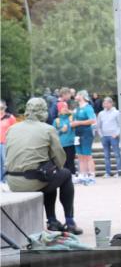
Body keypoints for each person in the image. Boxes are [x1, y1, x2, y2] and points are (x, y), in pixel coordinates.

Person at [4, 98, 82, 234]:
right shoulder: (48, 129)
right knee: (64, 174)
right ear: (43, 111)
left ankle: (52, 221)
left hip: (13, 181)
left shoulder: (12, 128)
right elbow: (60, 158)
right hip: (33, 180)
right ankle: (69, 221)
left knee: (49, 176)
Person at [71, 90, 97, 185]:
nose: (75, 96)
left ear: (81, 96)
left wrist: (79, 123)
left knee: (87, 155)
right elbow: (74, 120)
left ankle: (91, 176)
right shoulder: (77, 109)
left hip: (86, 133)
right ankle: (82, 175)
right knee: (80, 155)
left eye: (77, 94)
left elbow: (92, 120)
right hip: (77, 133)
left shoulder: (88, 107)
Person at [94, 96, 121, 178]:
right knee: (106, 155)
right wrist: (101, 135)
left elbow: (120, 125)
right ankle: (107, 173)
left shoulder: (116, 112)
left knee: (117, 154)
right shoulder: (101, 113)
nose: (104, 104)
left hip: (114, 136)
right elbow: (98, 126)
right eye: (104, 103)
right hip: (104, 137)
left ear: (111, 103)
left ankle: (119, 172)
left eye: (106, 103)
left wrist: (117, 134)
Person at [54, 101, 76, 179]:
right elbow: (53, 133)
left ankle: (73, 176)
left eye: (66, 107)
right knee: (63, 162)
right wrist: (61, 131)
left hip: (70, 143)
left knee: (71, 161)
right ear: (59, 109)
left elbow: (77, 117)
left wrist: (72, 112)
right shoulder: (56, 121)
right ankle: (66, 177)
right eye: (63, 107)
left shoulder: (71, 117)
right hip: (61, 145)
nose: (65, 109)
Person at [0, 101, 16, 183]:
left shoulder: (10, 117)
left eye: (2, 108)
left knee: (5, 162)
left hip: (6, 143)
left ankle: (6, 179)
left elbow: (15, 130)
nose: (0, 110)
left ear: (5, 108)